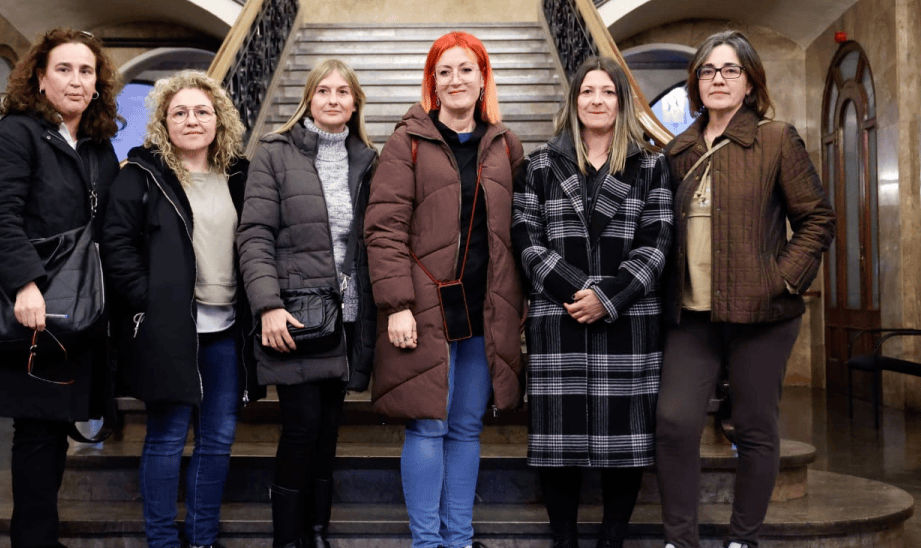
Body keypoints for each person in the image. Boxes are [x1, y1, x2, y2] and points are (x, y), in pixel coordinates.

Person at [654, 30, 835, 548]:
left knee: (754, 428)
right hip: (692, 316)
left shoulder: (777, 138)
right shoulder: (679, 150)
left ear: (750, 81)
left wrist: (779, 280)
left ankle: (743, 539)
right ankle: (679, 541)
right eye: (707, 71)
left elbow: (817, 220)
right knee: (673, 424)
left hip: (764, 317)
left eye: (729, 70)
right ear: (695, 83)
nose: (717, 79)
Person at [0, 27, 121, 548]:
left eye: (87, 71)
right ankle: (33, 541)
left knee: (53, 429)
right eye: (64, 69)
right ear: (40, 76)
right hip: (33, 307)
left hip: (78, 309)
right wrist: (25, 285)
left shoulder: (98, 147)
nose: (76, 81)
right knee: (36, 432)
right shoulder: (12, 136)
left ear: (98, 84)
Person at [365, 31, 524, 548]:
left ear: (483, 78)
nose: (456, 80)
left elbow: (520, 230)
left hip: (483, 309)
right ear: (433, 82)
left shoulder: (505, 145)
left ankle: (458, 539)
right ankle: (427, 542)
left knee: (466, 430)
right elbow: (384, 228)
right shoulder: (405, 141)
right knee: (428, 427)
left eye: (465, 70)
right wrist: (397, 305)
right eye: (444, 71)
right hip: (424, 307)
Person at [512, 56, 673, 548]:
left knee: (621, 444)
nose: (596, 100)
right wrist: (576, 292)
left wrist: (607, 298)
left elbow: (658, 241)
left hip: (627, 320)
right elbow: (525, 238)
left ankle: (612, 539)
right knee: (558, 444)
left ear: (621, 103)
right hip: (558, 319)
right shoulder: (538, 165)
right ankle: (564, 539)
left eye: (607, 92)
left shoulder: (651, 165)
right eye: (587, 92)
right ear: (574, 101)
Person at [101, 70, 260, 548]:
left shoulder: (239, 174)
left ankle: (203, 539)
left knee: (217, 441)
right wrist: (147, 303)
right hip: (169, 330)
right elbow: (117, 245)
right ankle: (162, 542)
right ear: (163, 122)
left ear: (219, 119)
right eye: (180, 112)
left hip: (228, 331)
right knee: (167, 439)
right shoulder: (141, 176)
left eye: (202, 111)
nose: (192, 120)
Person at [237, 58, 378, 548]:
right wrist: (266, 304)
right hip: (295, 312)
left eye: (343, 91)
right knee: (301, 426)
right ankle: (287, 538)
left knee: (330, 428)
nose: (334, 99)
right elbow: (254, 235)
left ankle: (315, 532)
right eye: (324, 91)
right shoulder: (275, 153)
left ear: (355, 101)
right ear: (308, 99)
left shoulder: (369, 159)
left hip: (350, 314)